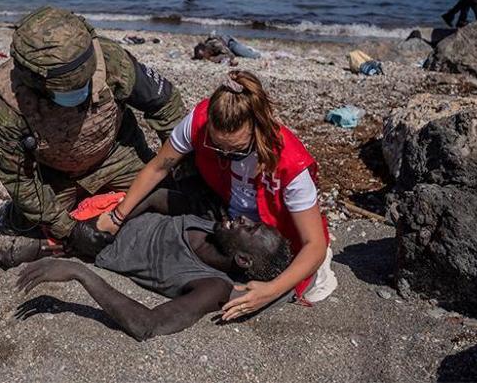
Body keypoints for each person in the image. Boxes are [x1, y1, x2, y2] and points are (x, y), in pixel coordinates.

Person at [96, 70, 336, 319]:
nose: (225, 154)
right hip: (224, 210)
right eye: (217, 146)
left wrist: (271, 290)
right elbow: (158, 167)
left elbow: (314, 245)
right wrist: (117, 216)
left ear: (258, 128)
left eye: (236, 149)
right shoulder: (198, 120)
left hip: (272, 234)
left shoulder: (290, 164)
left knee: (273, 287)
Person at [0, 205, 293, 340]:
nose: (245, 220)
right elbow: (157, 195)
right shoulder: (209, 220)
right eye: (253, 222)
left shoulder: (212, 286)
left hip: (87, 248)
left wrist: (80, 273)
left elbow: (149, 326)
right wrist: (113, 215)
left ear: (243, 261)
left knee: (15, 252)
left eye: (252, 230)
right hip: (105, 212)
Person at [0, 6, 186, 241]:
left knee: (171, 199)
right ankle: (12, 217)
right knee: (36, 232)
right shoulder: (5, 104)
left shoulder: (110, 59)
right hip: (55, 175)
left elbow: (165, 104)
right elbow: (19, 179)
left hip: (117, 155)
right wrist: (69, 229)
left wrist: (183, 165)